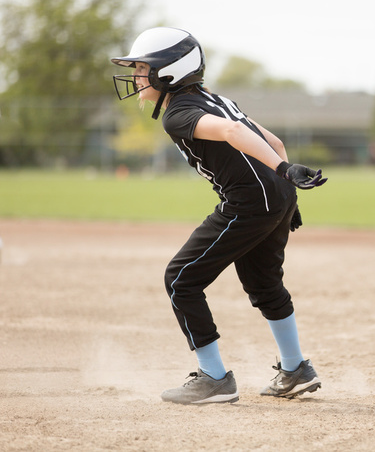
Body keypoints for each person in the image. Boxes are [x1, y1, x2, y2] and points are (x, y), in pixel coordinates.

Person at [111, 27, 326, 404]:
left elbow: (229, 131)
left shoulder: (177, 113)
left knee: (180, 279)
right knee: (264, 285)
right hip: (276, 196)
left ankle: (213, 377)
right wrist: (285, 183)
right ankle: (295, 369)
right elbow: (272, 141)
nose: (135, 77)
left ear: (169, 72)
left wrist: (278, 174)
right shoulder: (214, 98)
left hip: (250, 201)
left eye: (143, 69)